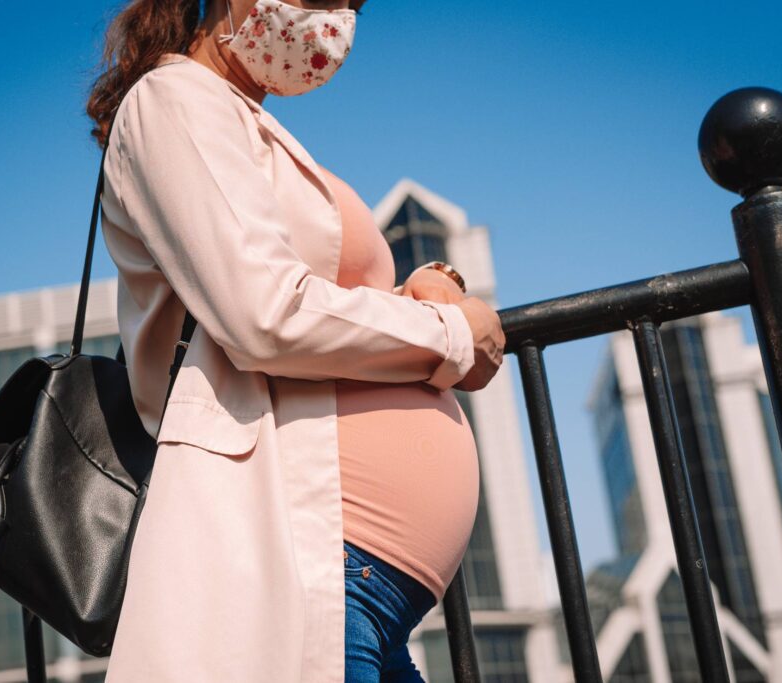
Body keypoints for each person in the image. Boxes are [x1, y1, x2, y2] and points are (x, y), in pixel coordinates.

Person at [86, 0, 505, 680]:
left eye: (354, 4)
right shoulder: (172, 100)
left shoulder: (238, 117)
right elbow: (265, 315)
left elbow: (303, 303)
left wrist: (421, 288)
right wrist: (451, 336)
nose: (337, 20)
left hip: (353, 589)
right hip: (304, 559)